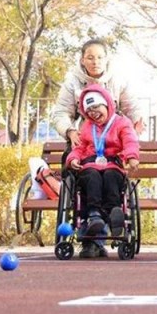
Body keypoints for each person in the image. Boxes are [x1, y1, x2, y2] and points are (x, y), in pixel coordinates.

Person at [64, 85, 141, 259]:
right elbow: (80, 147)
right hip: (90, 165)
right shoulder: (86, 126)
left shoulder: (122, 123)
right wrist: (73, 158)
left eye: (96, 107)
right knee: (91, 177)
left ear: (107, 104)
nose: (93, 113)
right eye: (89, 110)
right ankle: (94, 215)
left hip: (113, 164)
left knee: (111, 176)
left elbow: (130, 141)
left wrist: (131, 157)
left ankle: (114, 213)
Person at [52, 38, 144, 146]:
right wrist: (70, 131)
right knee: (72, 152)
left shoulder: (119, 81)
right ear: (82, 60)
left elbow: (132, 108)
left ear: (106, 59)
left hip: (115, 138)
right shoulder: (72, 83)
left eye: (100, 57)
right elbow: (61, 112)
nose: (95, 62)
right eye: (90, 58)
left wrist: (136, 122)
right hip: (86, 139)